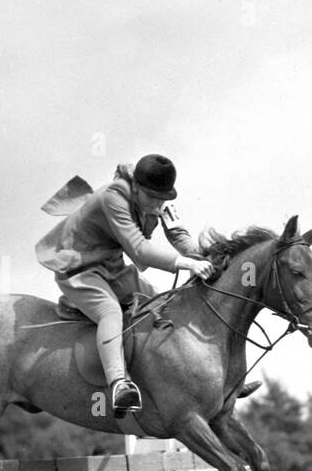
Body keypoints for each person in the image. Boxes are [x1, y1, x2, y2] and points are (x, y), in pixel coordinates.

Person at [35, 154, 257, 417]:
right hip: (78, 267)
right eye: (152, 199)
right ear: (136, 187)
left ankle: (219, 382)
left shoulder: (157, 198)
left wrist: (201, 256)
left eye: (163, 199)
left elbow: (177, 235)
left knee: (165, 306)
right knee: (110, 312)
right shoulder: (113, 198)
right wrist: (186, 264)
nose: (158, 205)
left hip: (111, 266)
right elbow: (139, 250)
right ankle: (119, 384)